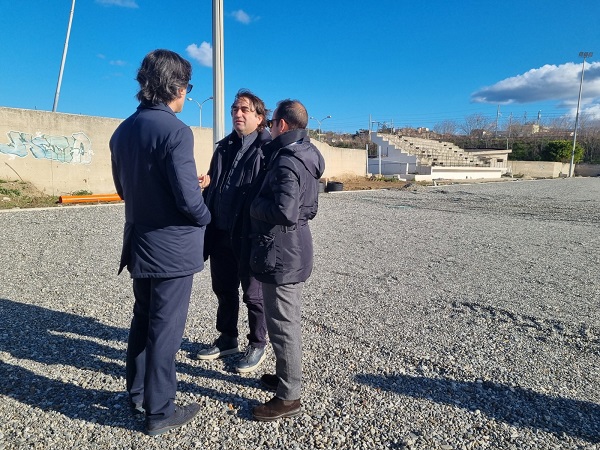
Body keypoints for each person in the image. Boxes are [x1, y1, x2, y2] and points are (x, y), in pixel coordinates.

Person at [110, 49, 211, 436]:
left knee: (142, 318)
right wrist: (206, 215)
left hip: (138, 240)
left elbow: (124, 188)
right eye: (186, 86)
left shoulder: (123, 131)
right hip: (171, 248)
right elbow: (187, 200)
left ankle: (136, 393)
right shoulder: (175, 131)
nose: (187, 94)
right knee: (165, 330)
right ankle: (160, 411)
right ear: (176, 86)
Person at [248, 99, 325, 421]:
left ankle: (289, 396)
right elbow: (308, 209)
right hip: (292, 247)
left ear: (281, 124)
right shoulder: (309, 153)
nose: (267, 128)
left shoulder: (286, 160)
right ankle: (285, 378)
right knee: (284, 321)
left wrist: (254, 206)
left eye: (270, 123)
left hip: (282, 252)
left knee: (283, 326)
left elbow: (284, 210)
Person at [197, 89, 272, 373]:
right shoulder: (224, 147)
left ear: (259, 117)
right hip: (220, 232)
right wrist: (207, 185)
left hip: (249, 235)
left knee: (253, 294)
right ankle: (228, 337)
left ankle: (258, 342)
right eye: (234, 109)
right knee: (224, 290)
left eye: (244, 109)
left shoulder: (267, 149)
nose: (237, 114)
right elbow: (217, 184)